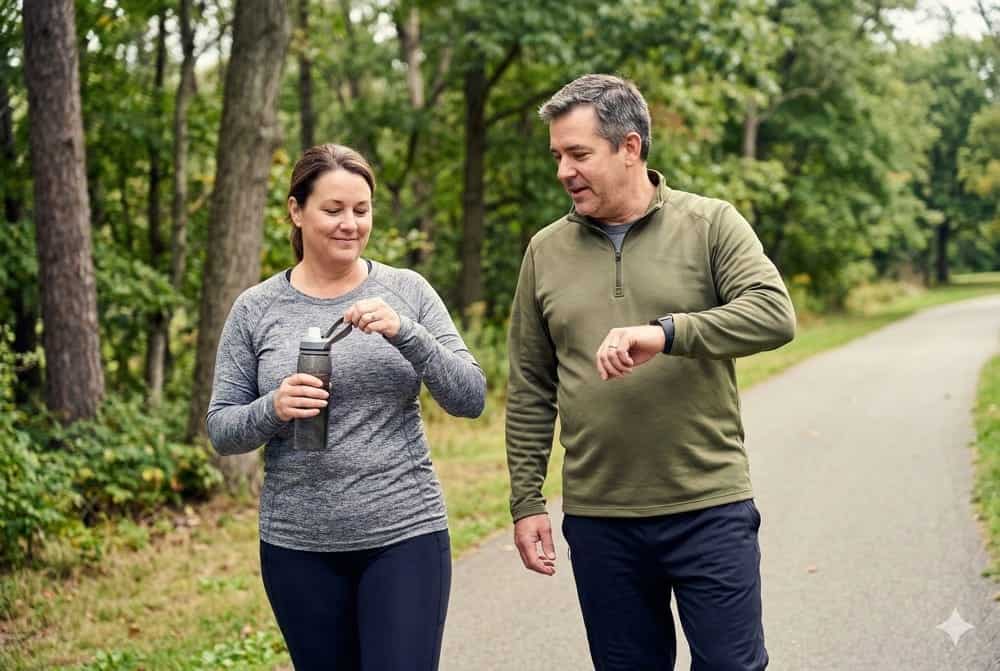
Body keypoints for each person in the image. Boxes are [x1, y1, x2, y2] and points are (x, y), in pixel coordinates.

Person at [505, 74, 795, 670]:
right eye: (557, 156)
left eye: (578, 154)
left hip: (707, 504)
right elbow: (531, 385)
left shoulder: (710, 223)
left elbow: (773, 314)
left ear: (629, 147)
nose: (563, 171)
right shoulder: (545, 251)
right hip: (600, 518)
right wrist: (527, 500)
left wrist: (667, 333)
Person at [206, 143, 485, 671]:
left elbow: (470, 397)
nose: (350, 224)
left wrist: (407, 333)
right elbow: (221, 429)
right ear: (296, 211)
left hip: (405, 534)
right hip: (297, 546)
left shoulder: (406, 291)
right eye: (333, 209)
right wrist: (274, 407)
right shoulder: (256, 309)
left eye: (361, 209)